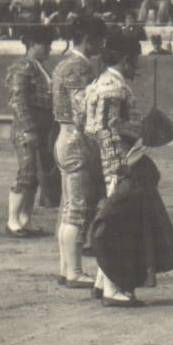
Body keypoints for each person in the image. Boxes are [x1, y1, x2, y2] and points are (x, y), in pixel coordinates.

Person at [83, 32, 173, 306]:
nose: (136, 66)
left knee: (113, 219)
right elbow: (106, 129)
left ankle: (103, 283)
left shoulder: (99, 83)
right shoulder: (115, 88)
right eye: (134, 60)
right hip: (118, 162)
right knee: (120, 224)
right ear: (125, 60)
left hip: (104, 160)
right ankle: (115, 289)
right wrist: (120, 163)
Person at [49, 16, 106, 289]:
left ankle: (66, 269)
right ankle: (73, 272)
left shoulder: (64, 64)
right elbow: (82, 111)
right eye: (98, 39)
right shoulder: (80, 68)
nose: (101, 45)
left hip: (64, 137)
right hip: (77, 140)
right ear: (87, 39)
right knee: (78, 208)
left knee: (69, 207)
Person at [3, 23, 56, 238]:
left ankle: (25, 220)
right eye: (46, 45)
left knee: (34, 175)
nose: (49, 49)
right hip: (27, 129)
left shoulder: (39, 68)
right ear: (33, 45)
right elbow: (18, 101)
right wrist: (28, 128)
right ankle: (12, 222)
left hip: (41, 129)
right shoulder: (23, 67)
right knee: (26, 172)